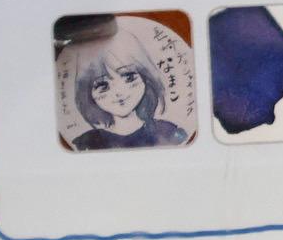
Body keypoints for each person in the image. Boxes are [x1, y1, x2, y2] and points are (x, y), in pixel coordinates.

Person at [64, 21, 189, 151]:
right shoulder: (85, 144)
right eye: (103, 86)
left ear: (146, 78)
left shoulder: (169, 133)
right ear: (88, 94)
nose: (119, 92)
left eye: (129, 78)